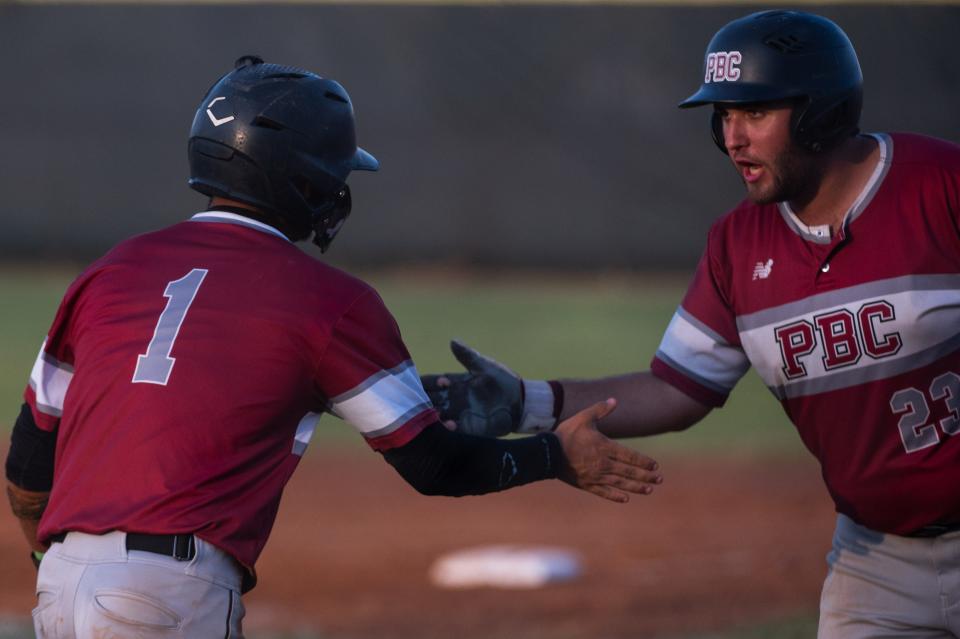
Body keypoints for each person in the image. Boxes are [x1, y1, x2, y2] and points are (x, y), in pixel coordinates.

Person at [3, 56, 664, 638]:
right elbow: (432, 466)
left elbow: (29, 466)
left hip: (58, 584)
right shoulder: (329, 299)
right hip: (167, 594)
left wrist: (63, 565)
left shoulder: (109, 271)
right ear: (304, 181)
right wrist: (555, 455)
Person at [422, 9, 960, 638]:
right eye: (723, 116)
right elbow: (679, 387)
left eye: (753, 113)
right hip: (877, 562)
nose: (732, 137)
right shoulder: (736, 244)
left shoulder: (940, 187)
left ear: (820, 112)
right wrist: (528, 403)